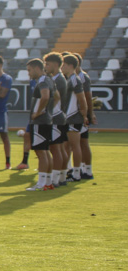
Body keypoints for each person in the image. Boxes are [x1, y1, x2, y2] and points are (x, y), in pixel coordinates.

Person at [24, 58, 54, 191]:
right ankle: (48, 182)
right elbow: (56, 96)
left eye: (30, 70)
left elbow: (46, 97)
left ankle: (41, 183)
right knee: (45, 151)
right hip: (47, 120)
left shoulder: (42, 81)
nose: (29, 73)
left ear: (37, 68)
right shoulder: (48, 79)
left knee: (41, 152)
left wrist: (37, 112)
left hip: (40, 121)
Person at [61, 54, 88, 183]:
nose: (62, 67)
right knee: (66, 146)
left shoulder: (74, 80)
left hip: (73, 117)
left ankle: (76, 174)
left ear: (70, 66)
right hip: (68, 118)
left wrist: (84, 115)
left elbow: (82, 99)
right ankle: (67, 171)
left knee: (74, 145)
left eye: (64, 65)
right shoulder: (69, 79)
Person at [44, 52, 68, 187]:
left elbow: (55, 98)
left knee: (55, 149)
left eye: (47, 64)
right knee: (60, 148)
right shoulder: (60, 78)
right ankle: (62, 177)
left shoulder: (57, 80)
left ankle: (55, 179)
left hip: (56, 117)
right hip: (60, 116)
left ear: (56, 64)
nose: (46, 67)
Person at [76, 54, 96, 180]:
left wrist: (89, 113)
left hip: (80, 114)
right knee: (78, 143)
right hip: (76, 114)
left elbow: (87, 96)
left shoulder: (82, 77)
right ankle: (83, 169)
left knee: (81, 142)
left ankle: (85, 170)